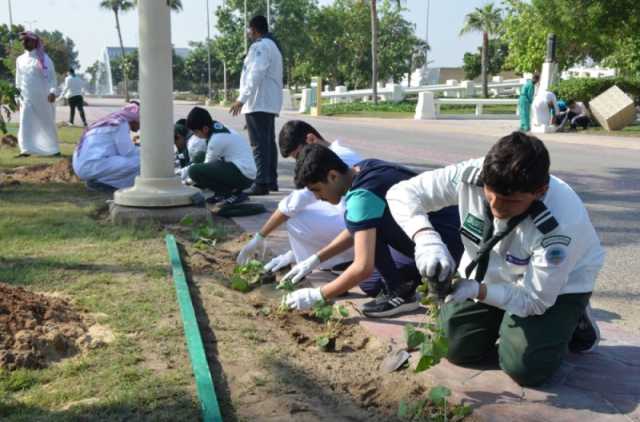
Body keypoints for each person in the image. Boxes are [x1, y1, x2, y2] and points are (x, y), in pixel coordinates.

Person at [386, 131, 605, 386]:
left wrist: (477, 290)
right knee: (456, 347)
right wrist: (426, 238)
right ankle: (508, 320)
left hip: (557, 286)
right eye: (491, 195)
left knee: (525, 368)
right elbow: (401, 193)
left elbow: (533, 300)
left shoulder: (561, 225)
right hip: (493, 272)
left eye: (510, 201)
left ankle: (574, 317)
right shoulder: (472, 175)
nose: (497, 208)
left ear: (540, 191)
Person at [282, 144, 463, 318]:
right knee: (371, 283)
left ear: (332, 176)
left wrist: (318, 295)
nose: (318, 197)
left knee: (365, 275)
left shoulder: (362, 196)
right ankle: (414, 280)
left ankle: (401, 292)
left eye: (317, 190)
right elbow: (358, 228)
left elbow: (363, 267)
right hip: (443, 231)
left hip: (442, 244)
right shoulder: (363, 169)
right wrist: (314, 260)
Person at [237, 120, 362, 274]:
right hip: (354, 223)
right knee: (307, 209)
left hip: (359, 231)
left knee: (296, 218)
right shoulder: (339, 153)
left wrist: (260, 236)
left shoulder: (332, 160)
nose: (300, 162)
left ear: (311, 140)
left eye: (298, 156)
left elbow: (293, 203)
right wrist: (293, 254)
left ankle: (339, 261)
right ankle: (319, 258)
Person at [229, 15, 283, 196]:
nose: (248, 32)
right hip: (267, 101)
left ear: (254, 29)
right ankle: (270, 181)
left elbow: (255, 73)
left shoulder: (260, 46)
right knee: (268, 143)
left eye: (248, 29)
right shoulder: (273, 46)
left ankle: (261, 183)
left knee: (258, 144)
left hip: (258, 101)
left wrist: (242, 99)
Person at [185, 107, 256, 204]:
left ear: (205, 129)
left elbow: (207, 165)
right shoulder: (217, 127)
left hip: (243, 175)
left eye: (196, 132)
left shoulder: (216, 140)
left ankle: (227, 194)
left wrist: (186, 182)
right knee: (200, 156)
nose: (195, 135)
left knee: (194, 171)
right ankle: (228, 192)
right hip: (242, 169)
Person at [72, 102, 140, 192]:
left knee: (132, 162)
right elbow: (128, 152)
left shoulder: (112, 121)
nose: (140, 127)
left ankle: (99, 181)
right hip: (91, 165)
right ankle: (100, 184)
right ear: (135, 119)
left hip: (84, 165)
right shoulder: (120, 124)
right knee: (141, 161)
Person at [14, 31, 59, 157]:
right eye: (22, 40)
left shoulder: (44, 59)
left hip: (43, 98)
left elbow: (52, 79)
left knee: (46, 123)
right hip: (26, 98)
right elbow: (18, 80)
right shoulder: (20, 60)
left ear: (34, 42)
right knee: (25, 122)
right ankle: (26, 150)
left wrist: (52, 92)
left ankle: (53, 149)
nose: (24, 43)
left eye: (27, 40)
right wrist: (17, 96)